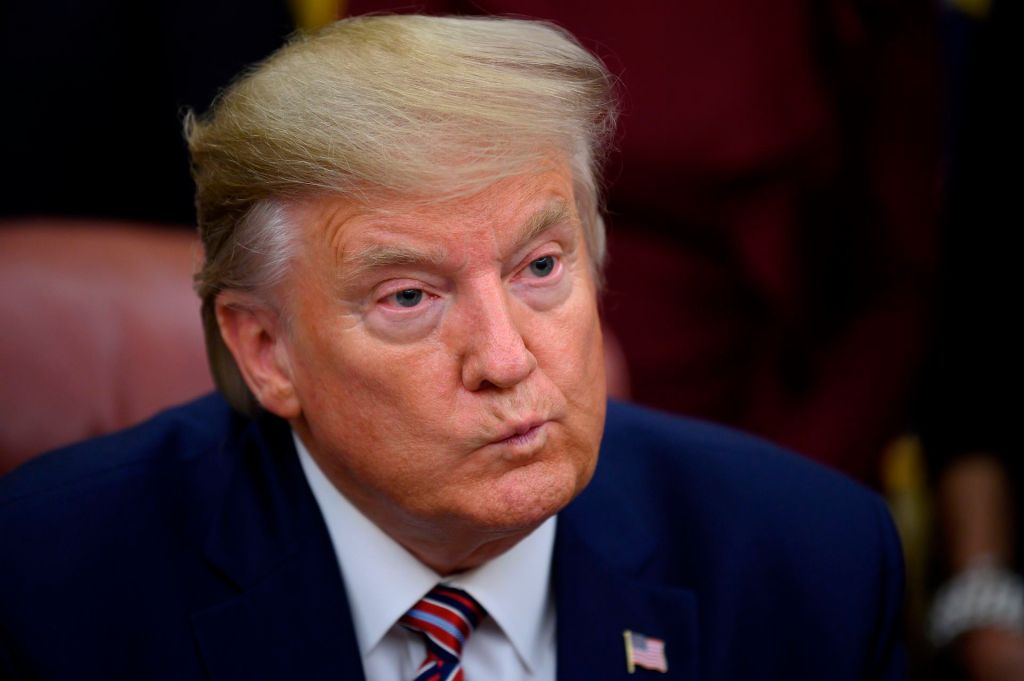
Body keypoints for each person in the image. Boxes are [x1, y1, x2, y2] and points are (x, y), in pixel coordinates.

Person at [0, 15, 904, 680]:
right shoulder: (48, 583)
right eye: (408, 297)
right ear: (266, 350)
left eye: (540, 266)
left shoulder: (809, 561)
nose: (507, 360)